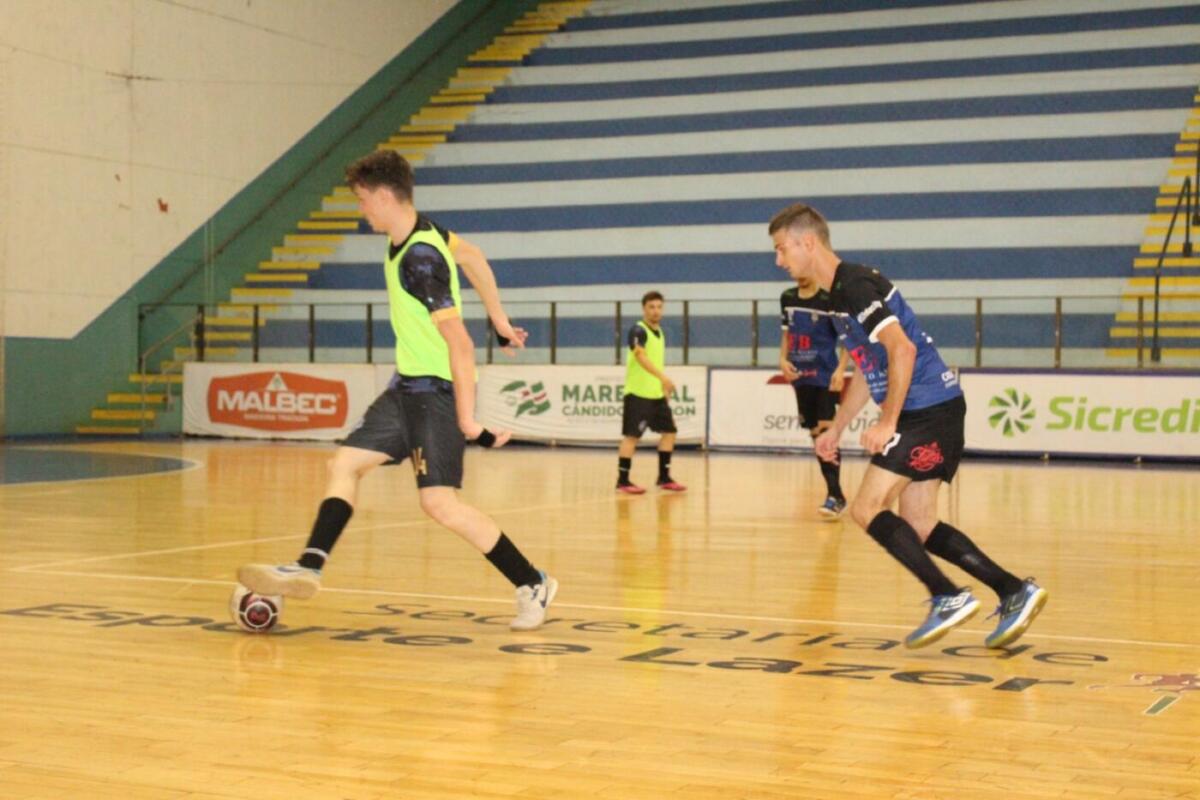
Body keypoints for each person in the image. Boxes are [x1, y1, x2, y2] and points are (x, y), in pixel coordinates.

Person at [238, 150, 557, 631]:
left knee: (440, 504)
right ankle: (309, 565)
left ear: (385, 196)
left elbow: (461, 344)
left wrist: (468, 421)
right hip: (405, 388)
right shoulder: (422, 233)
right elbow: (473, 257)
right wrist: (500, 319)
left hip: (437, 393)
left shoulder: (420, 261)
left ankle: (533, 582)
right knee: (344, 463)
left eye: (363, 199)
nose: (361, 209)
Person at [768, 203, 1047, 649]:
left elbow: (903, 350)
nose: (779, 260)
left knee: (865, 508)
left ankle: (947, 596)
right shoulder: (837, 297)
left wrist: (888, 421)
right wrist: (837, 427)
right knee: (918, 523)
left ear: (808, 242)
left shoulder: (854, 285)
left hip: (927, 410)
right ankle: (1014, 590)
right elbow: (868, 367)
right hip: (933, 410)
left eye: (782, 248)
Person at [779, 275, 851, 517]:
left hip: (825, 375)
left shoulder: (829, 299)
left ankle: (834, 495)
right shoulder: (787, 297)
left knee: (825, 431)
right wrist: (782, 359)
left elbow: (847, 339)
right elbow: (786, 334)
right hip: (801, 376)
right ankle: (836, 494)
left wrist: (841, 370)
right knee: (815, 434)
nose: (797, 275)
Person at [615, 291, 686, 494]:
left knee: (670, 432)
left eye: (659, 307)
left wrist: (662, 386)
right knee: (632, 437)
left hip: (656, 395)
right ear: (644, 309)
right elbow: (640, 356)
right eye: (651, 307)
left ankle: (664, 477)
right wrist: (663, 378)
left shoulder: (661, 333)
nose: (656, 311)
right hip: (637, 394)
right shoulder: (638, 330)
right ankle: (623, 481)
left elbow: (656, 362)